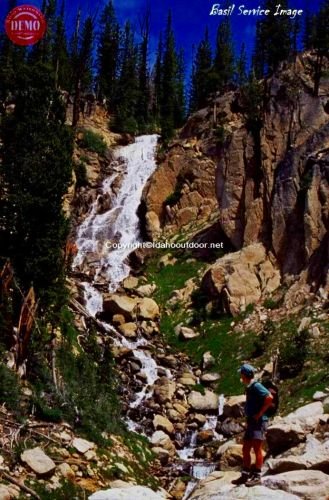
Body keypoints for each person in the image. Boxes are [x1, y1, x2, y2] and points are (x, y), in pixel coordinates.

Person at [232, 363, 273, 487]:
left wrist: (259, 414)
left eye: (241, 373)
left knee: (256, 448)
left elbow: (269, 398)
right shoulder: (250, 386)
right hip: (251, 421)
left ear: (245, 375)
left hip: (258, 422)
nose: (240, 375)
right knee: (245, 448)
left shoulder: (256, 386)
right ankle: (245, 474)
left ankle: (257, 476)